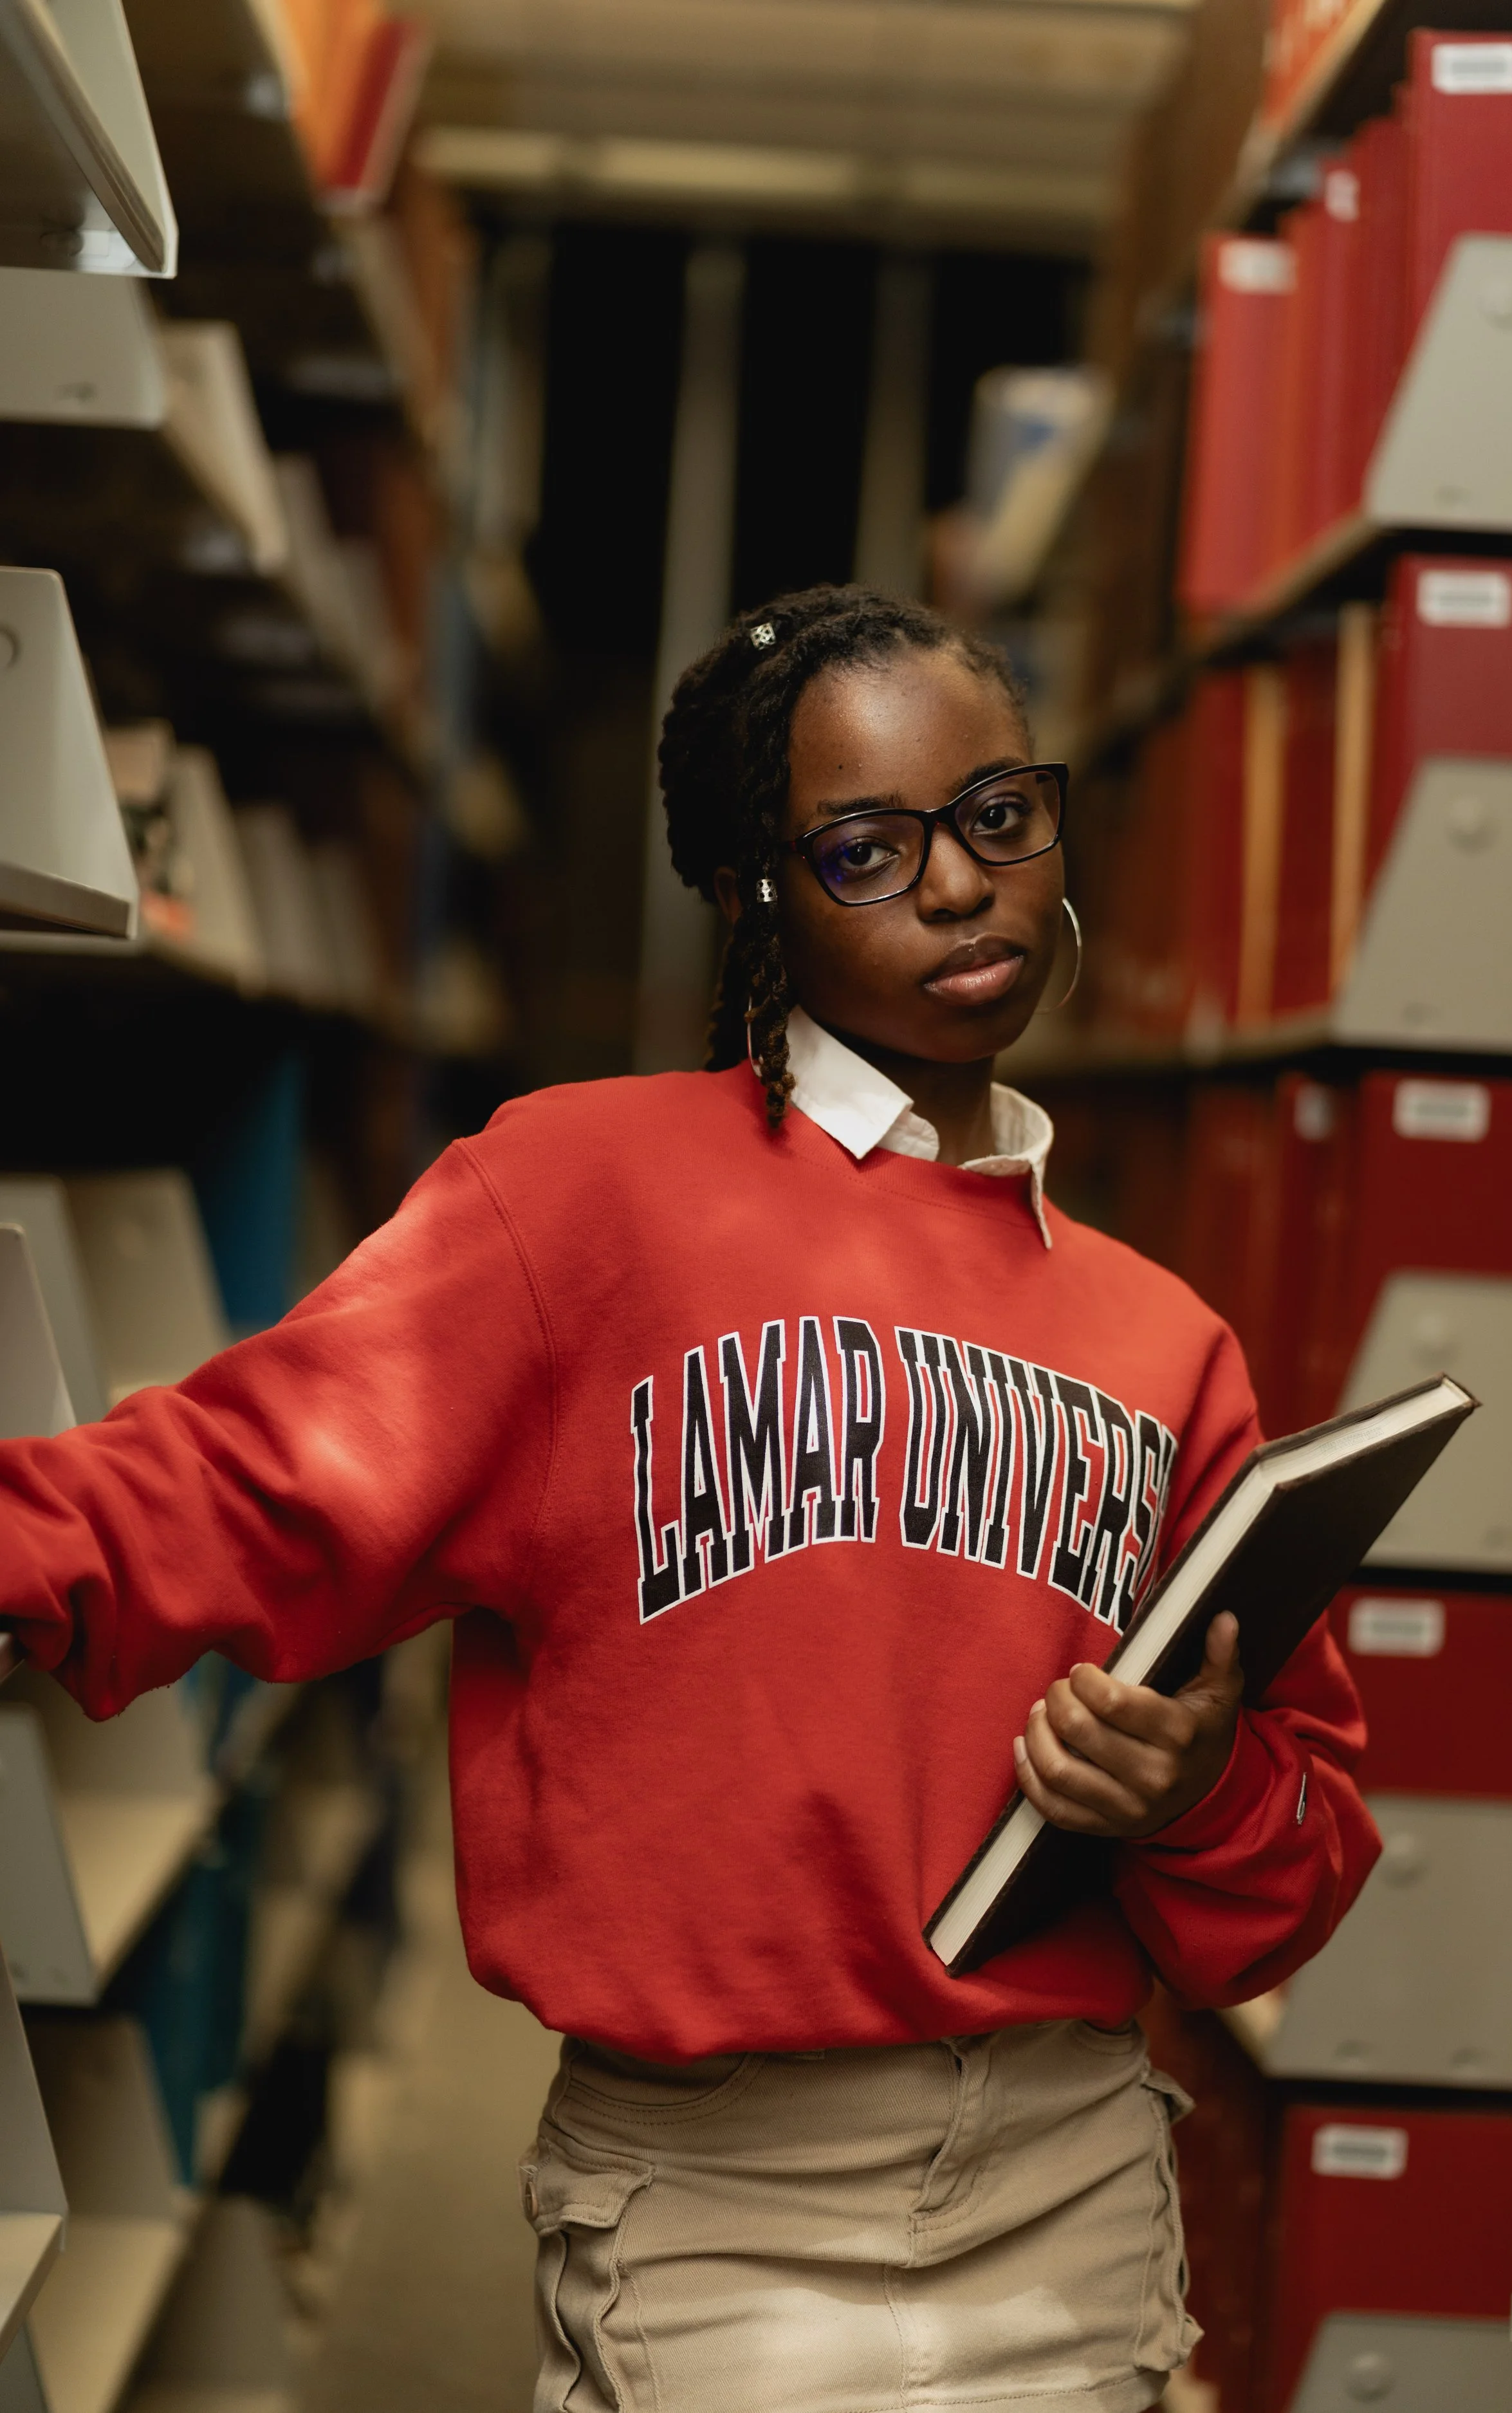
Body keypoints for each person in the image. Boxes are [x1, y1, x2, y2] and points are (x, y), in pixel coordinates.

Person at [0, 586, 1378, 2413]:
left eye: (996, 815)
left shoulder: (1166, 1339)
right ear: (755, 900)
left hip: (1070, 2189)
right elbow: (245, 1482)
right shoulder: (580, 1197)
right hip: (721, 2211)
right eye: (864, 847)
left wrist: (1194, 1788)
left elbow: (1292, 1866)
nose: (956, 886)